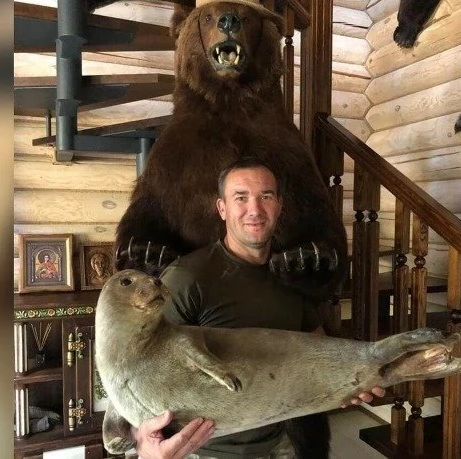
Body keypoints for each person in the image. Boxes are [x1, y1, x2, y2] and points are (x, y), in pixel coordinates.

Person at [132, 158, 384, 459]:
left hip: (284, 445)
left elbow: (316, 349)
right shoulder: (187, 278)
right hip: (208, 450)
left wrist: (350, 381)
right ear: (222, 208)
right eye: (241, 198)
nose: (255, 210)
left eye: (265, 196)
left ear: (279, 205)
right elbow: (139, 363)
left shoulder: (291, 274)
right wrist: (143, 441)